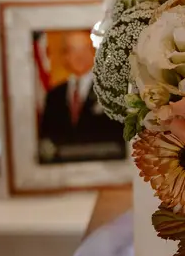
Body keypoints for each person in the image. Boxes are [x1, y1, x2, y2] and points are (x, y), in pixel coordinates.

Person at [39, 30, 124, 163]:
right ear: (65, 56)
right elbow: (46, 140)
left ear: (95, 53)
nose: (80, 56)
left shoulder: (111, 91)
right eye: (73, 50)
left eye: (85, 49)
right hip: (62, 168)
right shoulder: (54, 95)